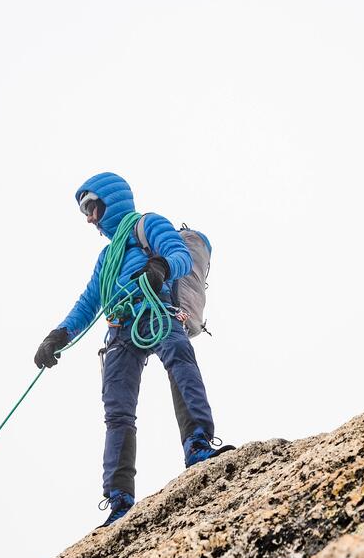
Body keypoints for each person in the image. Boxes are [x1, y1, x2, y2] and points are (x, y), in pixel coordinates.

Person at [34, 172, 233, 528]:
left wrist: (159, 267)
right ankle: (119, 498)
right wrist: (59, 335)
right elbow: (89, 302)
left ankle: (198, 444)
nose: (90, 218)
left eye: (92, 207)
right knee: (117, 409)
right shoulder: (107, 257)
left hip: (154, 309)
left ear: (111, 201)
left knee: (180, 362)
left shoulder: (147, 224)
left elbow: (179, 254)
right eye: (85, 212)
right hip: (120, 328)